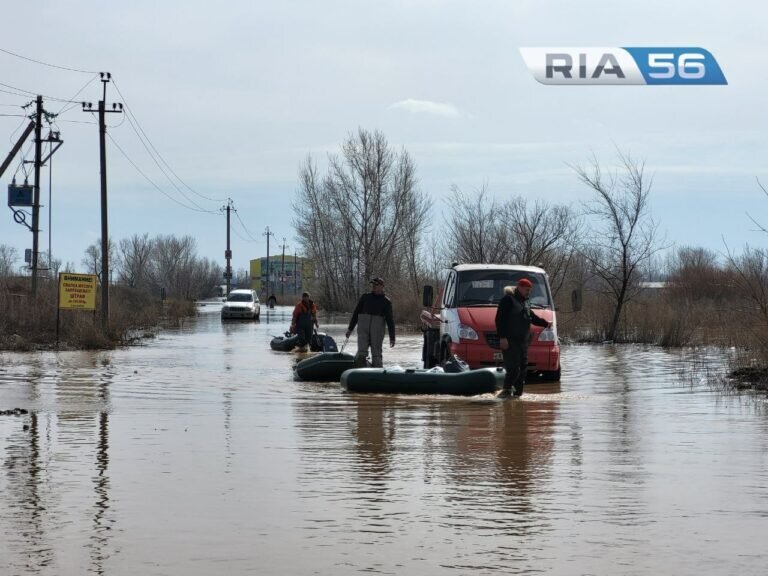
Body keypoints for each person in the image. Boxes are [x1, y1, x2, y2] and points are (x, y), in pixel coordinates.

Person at [494, 278, 551, 398]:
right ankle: (505, 391)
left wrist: (546, 324)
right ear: (519, 287)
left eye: (530, 290)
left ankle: (517, 395)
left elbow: (532, 317)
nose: (528, 292)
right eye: (527, 289)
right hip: (510, 340)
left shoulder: (525, 302)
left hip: (523, 341)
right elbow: (499, 320)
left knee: (523, 368)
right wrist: (502, 337)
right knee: (514, 369)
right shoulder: (507, 300)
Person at [345, 277, 395, 368]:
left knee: (376, 354)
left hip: (377, 331)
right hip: (363, 329)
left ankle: (377, 373)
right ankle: (359, 372)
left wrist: (392, 337)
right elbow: (356, 313)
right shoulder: (365, 297)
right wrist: (350, 329)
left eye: (376, 284)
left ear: (382, 286)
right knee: (361, 354)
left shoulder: (386, 302)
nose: (373, 286)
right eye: (372, 284)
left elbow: (390, 320)